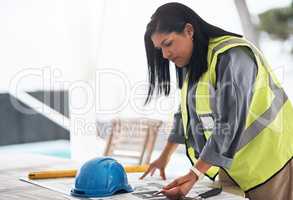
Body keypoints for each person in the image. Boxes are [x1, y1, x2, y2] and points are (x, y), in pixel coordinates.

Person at [140, 2, 293, 200]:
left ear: (189, 30)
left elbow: (228, 123)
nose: (165, 54)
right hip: (233, 167)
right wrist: (164, 156)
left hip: (272, 164)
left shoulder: (233, 55)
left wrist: (195, 174)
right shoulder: (195, 63)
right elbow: (185, 114)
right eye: (160, 48)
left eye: (168, 44)